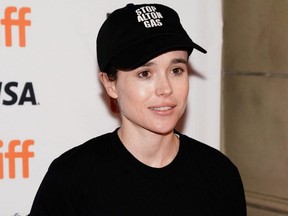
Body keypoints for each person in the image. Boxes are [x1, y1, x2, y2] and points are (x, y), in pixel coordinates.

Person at [28, 3, 247, 216]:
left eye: (176, 70)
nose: (165, 89)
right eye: (145, 73)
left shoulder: (219, 174)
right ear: (110, 84)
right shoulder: (72, 178)